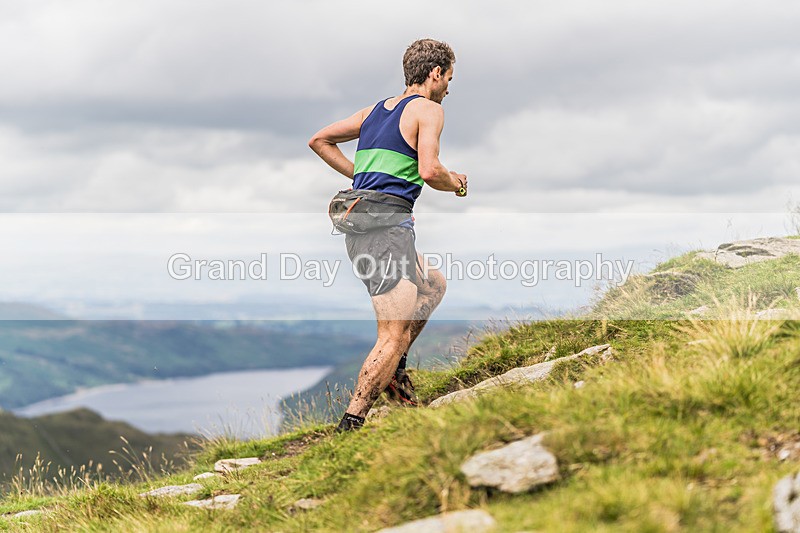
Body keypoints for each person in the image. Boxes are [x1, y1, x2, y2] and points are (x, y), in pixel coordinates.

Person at [308, 38, 467, 432]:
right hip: (385, 232)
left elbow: (319, 140)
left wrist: (364, 180)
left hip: (372, 226)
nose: (449, 87)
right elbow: (430, 171)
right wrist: (457, 183)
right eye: (449, 77)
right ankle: (351, 425)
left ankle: (394, 373)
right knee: (391, 335)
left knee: (433, 284)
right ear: (435, 73)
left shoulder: (374, 111)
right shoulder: (428, 110)